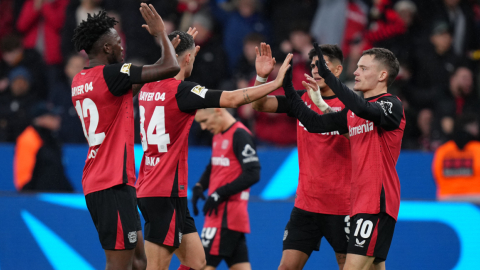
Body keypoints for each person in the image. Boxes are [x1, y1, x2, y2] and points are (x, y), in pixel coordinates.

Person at [135, 31, 292, 270]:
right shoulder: (183, 91)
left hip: (164, 189)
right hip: (162, 191)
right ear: (188, 59)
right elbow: (231, 99)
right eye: (191, 58)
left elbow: (169, 69)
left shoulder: (147, 86)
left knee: (197, 263)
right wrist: (273, 83)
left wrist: (181, 50)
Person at [71, 5, 180, 270]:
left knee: (139, 261)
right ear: (107, 48)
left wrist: (167, 50)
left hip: (105, 181)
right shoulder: (113, 75)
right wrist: (161, 35)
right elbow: (171, 67)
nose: (123, 47)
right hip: (111, 182)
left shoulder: (80, 79)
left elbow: (148, 75)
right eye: (118, 42)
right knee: (119, 265)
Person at [282, 44, 405, 270]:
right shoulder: (353, 114)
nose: (356, 72)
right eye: (357, 67)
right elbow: (314, 123)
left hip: (378, 202)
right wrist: (289, 88)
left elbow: (366, 110)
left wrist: (330, 78)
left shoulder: (391, 104)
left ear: (382, 75)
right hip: (360, 203)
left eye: (363, 68)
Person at [251, 44, 352, 269]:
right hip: (306, 205)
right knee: (286, 267)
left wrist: (325, 108)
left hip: (343, 206)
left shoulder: (352, 105)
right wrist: (262, 77)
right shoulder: (302, 99)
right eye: (313, 65)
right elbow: (259, 104)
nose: (316, 70)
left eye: (322, 65)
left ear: (337, 70)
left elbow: (360, 142)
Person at [192, 108, 260, 270]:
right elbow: (213, 164)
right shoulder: (218, 133)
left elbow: (253, 173)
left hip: (225, 217)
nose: (202, 127)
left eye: (204, 121)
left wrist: (219, 193)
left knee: (201, 265)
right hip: (224, 218)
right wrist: (200, 185)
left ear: (218, 111)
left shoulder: (240, 135)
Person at [14, 102, 73, 192]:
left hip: (55, 195)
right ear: (40, 119)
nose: (58, 119)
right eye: (52, 116)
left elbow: (58, 173)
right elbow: (24, 178)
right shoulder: (29, 138)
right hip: (37, 198)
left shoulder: (52, 138)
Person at [432, 114, 480, 203]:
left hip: (447, 198)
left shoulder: (443, 150)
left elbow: (436, 174)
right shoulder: (478, 148)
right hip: (476, 198)